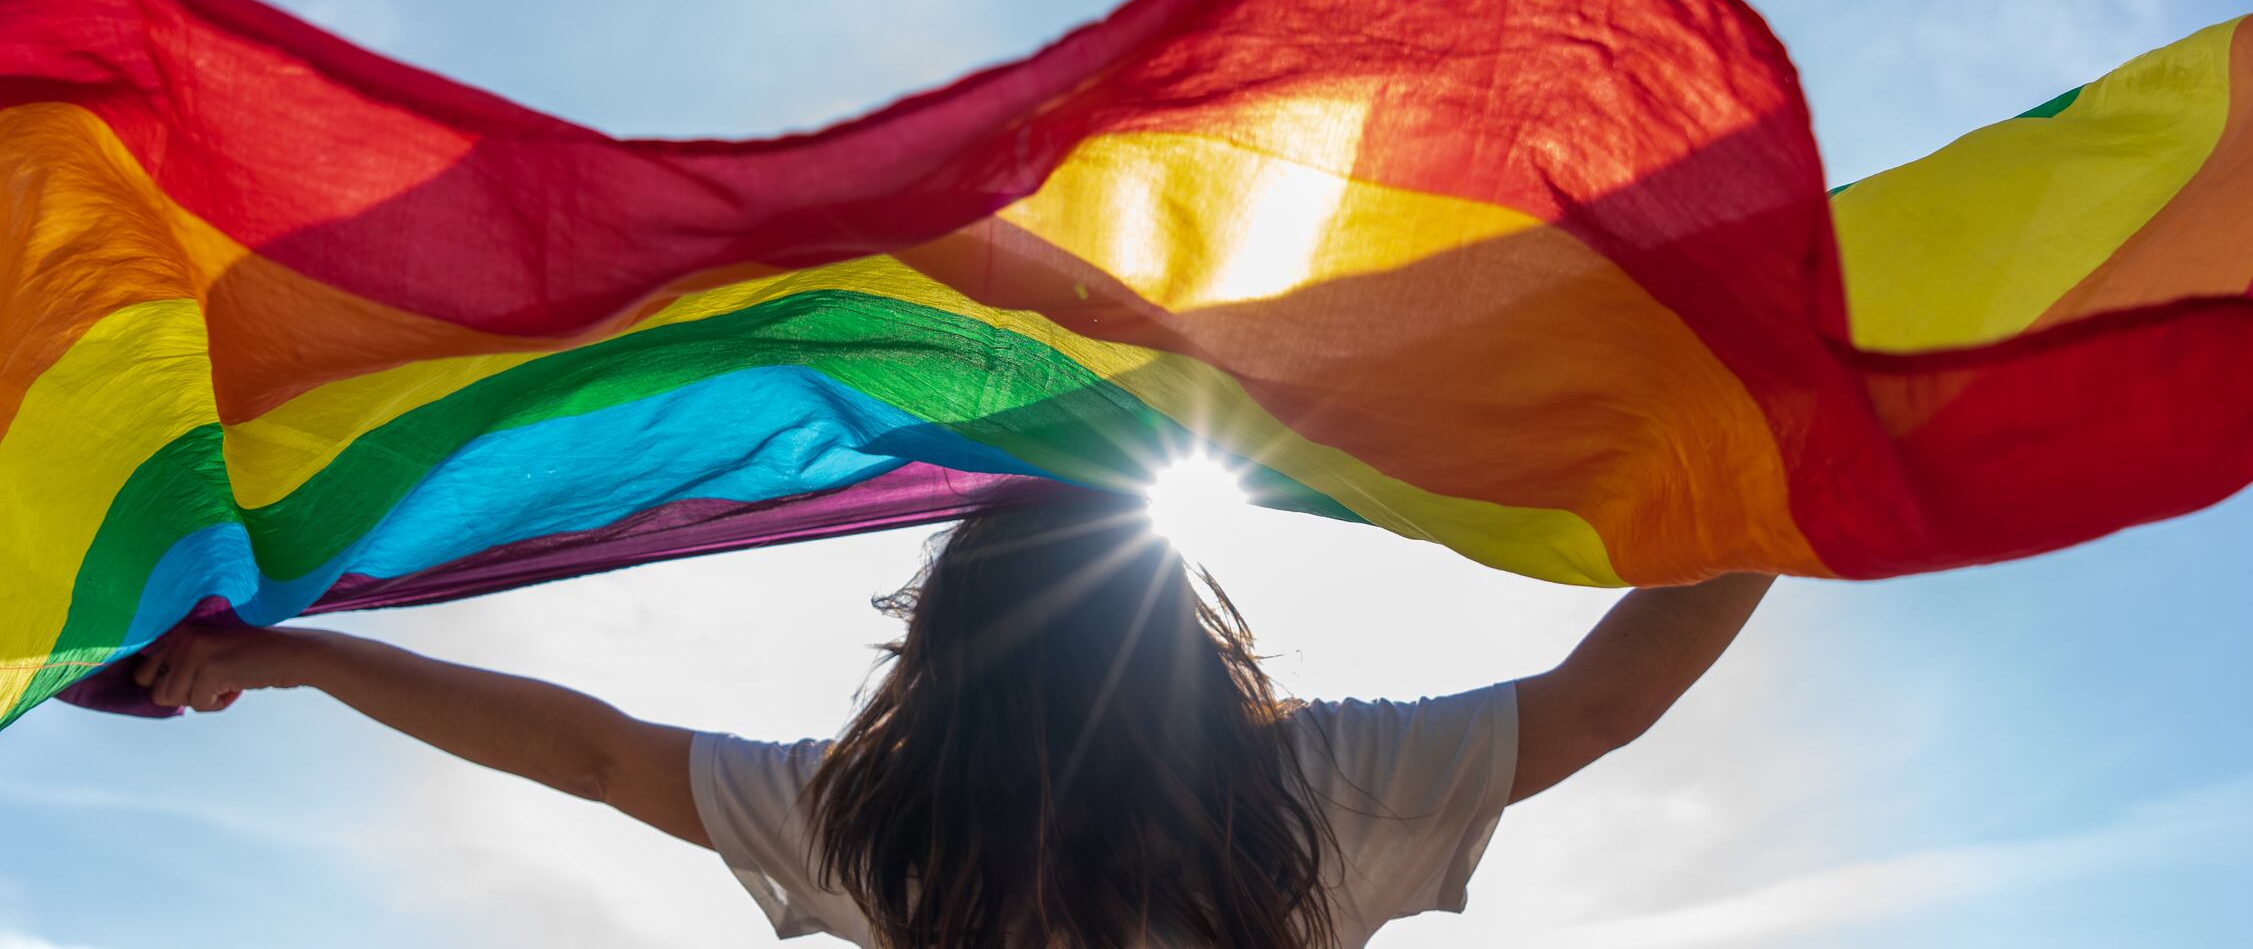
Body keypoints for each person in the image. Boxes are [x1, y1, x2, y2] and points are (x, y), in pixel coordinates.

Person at [133, 493, 1772, 948]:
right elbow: (1606, 695)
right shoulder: (1308, 791)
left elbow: (596, 751)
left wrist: (305, 659)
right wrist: (1791, 496)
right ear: (1180, 630)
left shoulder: (877, 822)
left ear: (937, 647)